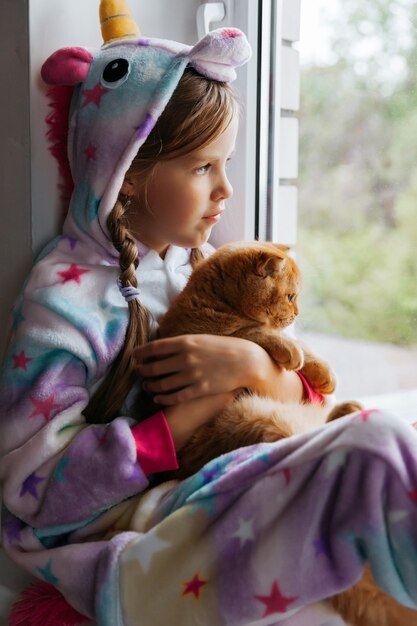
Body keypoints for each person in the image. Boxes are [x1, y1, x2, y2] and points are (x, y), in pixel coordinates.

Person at [0, 3, 308, 622]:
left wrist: (253, 365)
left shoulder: (207, 269)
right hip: (136, 539)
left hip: (210, 498)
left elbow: (301, 401)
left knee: (373, 453)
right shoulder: (65, 300)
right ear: (129, 172)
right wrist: (188, 420)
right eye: (202, 166)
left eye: (225, 162)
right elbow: (30, 486)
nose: (225, 188)